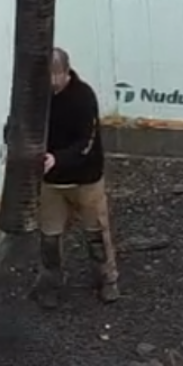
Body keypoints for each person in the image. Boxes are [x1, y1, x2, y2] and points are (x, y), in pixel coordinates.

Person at [34, 48, 119, 309]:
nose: (48, 83)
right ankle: (51, 282)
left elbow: (87, 142)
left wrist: (56, 159)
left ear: (64, 73)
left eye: (52, 77)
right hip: (51, 184)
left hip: (85, 180)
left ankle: (107, 279)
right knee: (49, 237)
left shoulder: (83, 98)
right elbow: (17, 125)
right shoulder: (35, 97)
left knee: (96, 233)